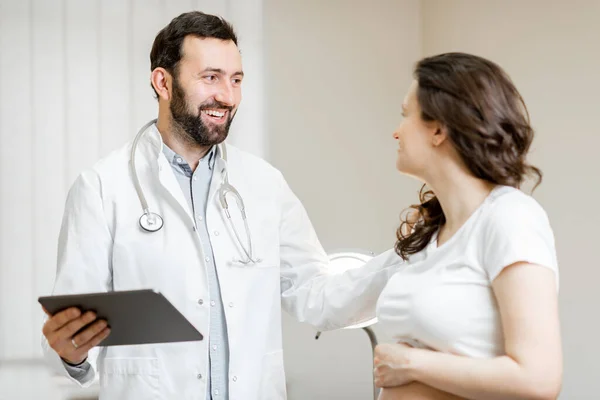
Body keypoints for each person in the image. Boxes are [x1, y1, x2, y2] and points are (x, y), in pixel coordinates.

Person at [40, 11, 401, 400]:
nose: (227, 96)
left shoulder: (265, 185)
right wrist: (71, 355)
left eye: (236, 80)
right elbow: (71, 327)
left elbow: (318, 295)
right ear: (163, 82)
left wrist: (408, 256)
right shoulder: (101, 188)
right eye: (211, 77)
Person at [372, 52, 562, 400]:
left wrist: (411, 364)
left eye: (405, 115)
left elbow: (540, 379)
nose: (396, 132)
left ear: (439, 128)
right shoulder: (431, 234)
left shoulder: (510, 218)